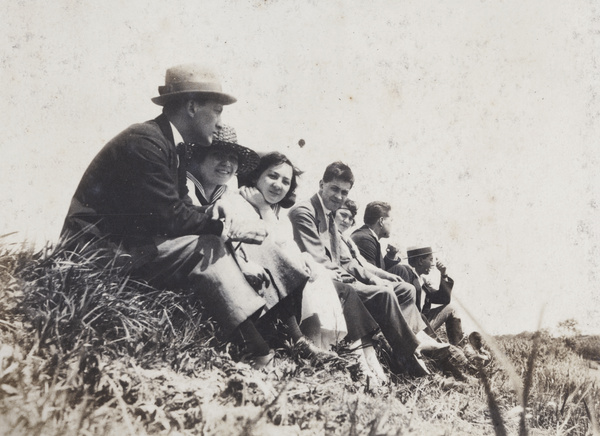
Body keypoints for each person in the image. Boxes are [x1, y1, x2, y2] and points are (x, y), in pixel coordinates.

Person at [62, 64, 274, 368]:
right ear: (191, 106)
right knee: (206, 244)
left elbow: (180, 206)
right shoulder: (146, 142)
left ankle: (258, 343)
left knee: (210, 237)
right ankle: (257, 349)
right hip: (95, 259)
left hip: (123, 249)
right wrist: (224, 227)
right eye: (216, 111)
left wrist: (212, 210)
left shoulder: (167, 144)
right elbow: (169, 217)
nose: (218, 122)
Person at [185, 130, 343, 363]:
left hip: (224, 257)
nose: (226, 165)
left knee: (272, 249)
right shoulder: (188, 186)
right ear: (199, 155)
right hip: (198, 258)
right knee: (268, 249)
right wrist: (244, 262)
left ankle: (297, 341)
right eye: (218, 155)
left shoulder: (225, 192)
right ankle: (292, 342)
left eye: (232, 160)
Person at [288, 162, 451, 377]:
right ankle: (410, 356)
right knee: (384, 294)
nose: (339, 197)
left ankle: (417, 341)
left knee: (400, 288)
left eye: (344, 192)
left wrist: (374, 279)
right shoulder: (304, 212)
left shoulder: (329, 216)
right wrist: (363, 282)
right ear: (321, 184)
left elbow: (348, 262)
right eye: (334, 189)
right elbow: (319, 260)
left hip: (338, 279)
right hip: (319, 283)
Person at [239, 152, 387, 384]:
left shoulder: (273, 210)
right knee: (336, 287)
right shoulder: (247, 202)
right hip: (261, 277)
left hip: (288, 274)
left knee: (330, 284)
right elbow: (273, 247)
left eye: (285, 181)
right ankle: (337, 354)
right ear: (257, 176)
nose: (278, 185)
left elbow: (289, 247)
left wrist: (307, 261)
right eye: (272, 176)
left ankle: (362, 359)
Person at [389, 246, 466, 346]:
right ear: (420, 261)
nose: (433, 264)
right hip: (410, 326)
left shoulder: (421, 282)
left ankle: (458, 347)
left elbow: (444, 299)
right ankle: (447, 350)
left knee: (452, 309)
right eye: (430, 260)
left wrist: (444, 275)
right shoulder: (403, 271)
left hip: (422, 323)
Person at [350, 201, 393, 269]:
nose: (391, 224)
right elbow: (372, 273)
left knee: (402, 269)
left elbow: (379, 268)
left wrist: (391, 256)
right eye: (391, 220)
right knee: (403, 270)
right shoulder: (364, 240)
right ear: (381, 221)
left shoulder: (366, 235)